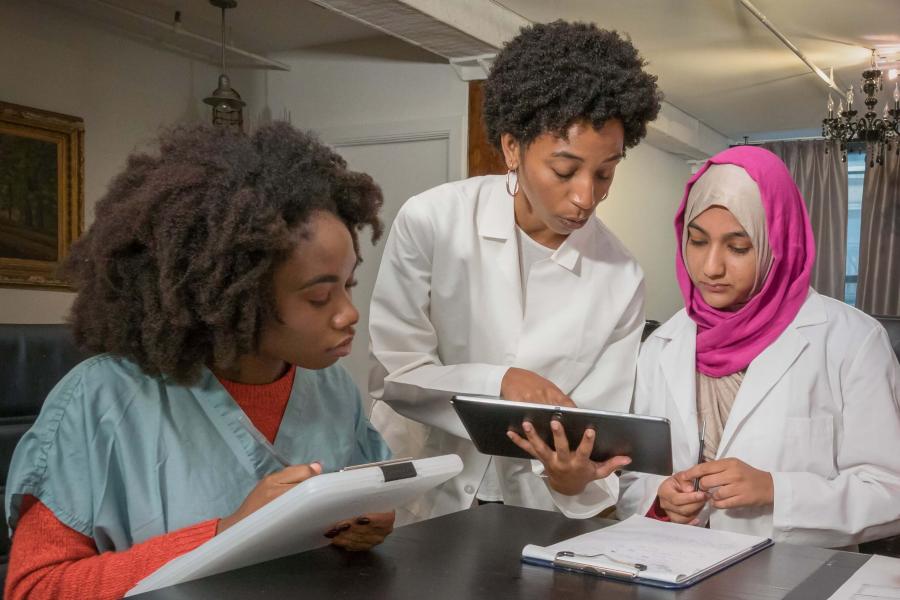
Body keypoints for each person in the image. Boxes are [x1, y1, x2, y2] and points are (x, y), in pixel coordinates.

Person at [4, 122, 395, 599]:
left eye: (349, 284)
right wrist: (226, 533)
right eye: (319, 297)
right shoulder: (99, 400)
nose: (349, 314)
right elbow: (34, 589)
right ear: (237, 297)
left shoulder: (331, 388)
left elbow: (355, 507)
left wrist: (368, 525)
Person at [368, 20, 661, 523]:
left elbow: (593, 431)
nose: (585, 197)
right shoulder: (433, 221)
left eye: (605, 173)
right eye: (564, 170)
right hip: (420, 496)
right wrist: (500, 381)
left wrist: (572, 476)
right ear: (511, 148)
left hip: (531, 511)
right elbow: (395, 376)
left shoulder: (620, 276)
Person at [613, 145, 900, 548]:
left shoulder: (851, 341)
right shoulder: (661, 345)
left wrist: (775, 491)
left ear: (777, 243)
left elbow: (890, 490)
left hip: (794, 577)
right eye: (697, 241)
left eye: (738, 247)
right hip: (676, 567)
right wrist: (661, 502)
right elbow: (635, 481)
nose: (711, 267)